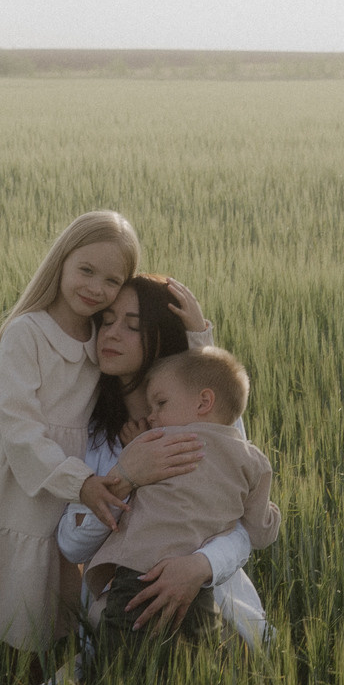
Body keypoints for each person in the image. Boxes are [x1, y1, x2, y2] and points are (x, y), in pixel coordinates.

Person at [0, 214, 216, 682]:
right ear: (61, 261)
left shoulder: (99, 341)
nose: (96, 288)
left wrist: (197, 337)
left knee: (31, 614)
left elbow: (189, 391)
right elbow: (20, 432)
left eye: (113, 279)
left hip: (51, 495)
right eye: (86, 270)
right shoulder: (26, 332)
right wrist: (84, 482)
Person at [51, 278, 273, 649]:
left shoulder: (206, 426)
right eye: (107, 321)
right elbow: (72, 545)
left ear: (160, 336)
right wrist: (125, 476)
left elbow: (243, 527)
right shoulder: (89, 430)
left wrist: (200, 567)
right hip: (119, 619)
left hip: (219, 616)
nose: (112, 334)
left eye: (133, 326)